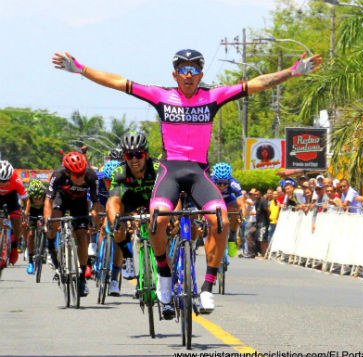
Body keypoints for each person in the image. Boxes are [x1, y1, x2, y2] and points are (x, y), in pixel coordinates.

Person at [52, 48, 322, 314]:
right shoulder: (162, 96)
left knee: (222, 220)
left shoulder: (213, 97)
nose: (189, 75)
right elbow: (118, 82)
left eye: (194, 70)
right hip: (170, 170)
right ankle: (165, 279)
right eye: (183, 69)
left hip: (198, 172)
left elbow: (256, 84)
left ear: (201, 74)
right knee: (158, 219)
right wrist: (81, 69)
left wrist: (293, 71)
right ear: (175, 74)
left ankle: (206, 288)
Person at [105, 132, 162, 305]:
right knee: (115, 220)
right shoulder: (120, 172)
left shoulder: (158, 168)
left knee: (164, 226)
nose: (134, 159)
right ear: (124, 156)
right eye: (130, 155)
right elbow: (113, 200)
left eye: (139, 154)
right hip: (130, 200)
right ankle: (127, 256)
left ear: (147, 155)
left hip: (154, 199)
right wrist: (116, 220)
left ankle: (164, 271)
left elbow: (171, 197)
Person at [44, 152, 100, 297]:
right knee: (52, 220)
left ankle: (81, 278)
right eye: (76, 175)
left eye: (82, 173)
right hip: (61, 199)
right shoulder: (58, 175)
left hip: (79, 204)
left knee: (82, 236)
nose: (80, 177)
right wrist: (47, 222)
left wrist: (94, 218)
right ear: (68, 172)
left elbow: (96, 203)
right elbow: (48, 200)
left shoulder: (91, 176)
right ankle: (51, 249)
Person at [211, 163, 245, 258]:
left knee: (235, 211)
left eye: (225, 183)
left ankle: (232, 238)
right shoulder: (209, 181)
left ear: (229, 180)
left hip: (228, 200)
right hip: (214, 200)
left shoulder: (234, 184)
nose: (222, 186)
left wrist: (242, 217)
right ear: (215, 180)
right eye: (219, 183)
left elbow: (241, 203)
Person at [0, 160, 28, 267]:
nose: (3, 183)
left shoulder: (16, 180)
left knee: (17, 221)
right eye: (0, 180)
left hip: (11, 197)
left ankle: (15, 246)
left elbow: (26, 200)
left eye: (5, 180)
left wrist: (25, 216)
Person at [23, 180, 46, 274]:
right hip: (32, 213)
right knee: (31, 234)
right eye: (35, 199)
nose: (37, 201)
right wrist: (25, 221)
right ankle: (31, 262)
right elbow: (26, 212)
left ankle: (44, 249)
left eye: (40, 198)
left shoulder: (46, 197)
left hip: (43, 211)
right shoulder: (29, 199)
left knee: (46, 229)